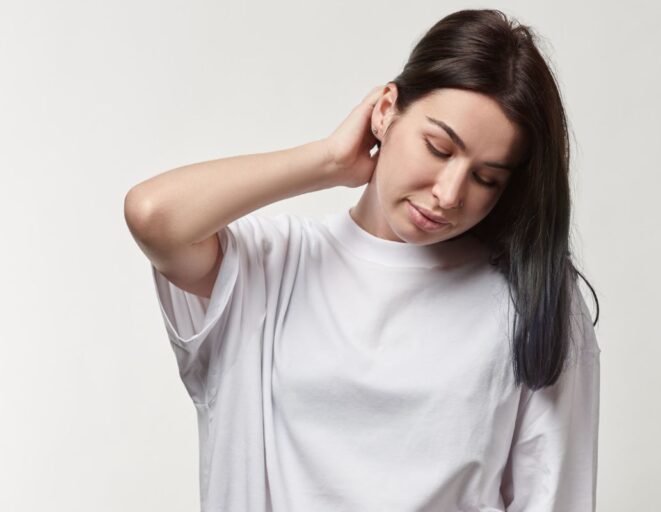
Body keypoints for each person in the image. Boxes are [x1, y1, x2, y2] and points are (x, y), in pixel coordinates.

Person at [124, 8, 601, 512]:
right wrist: (330, 160)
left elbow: (555, 499)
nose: (449, 194)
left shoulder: (533, 299)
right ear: (386, 110)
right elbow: (153, 215)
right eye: (438, 149)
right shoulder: (270, 267)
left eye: (486, 178)